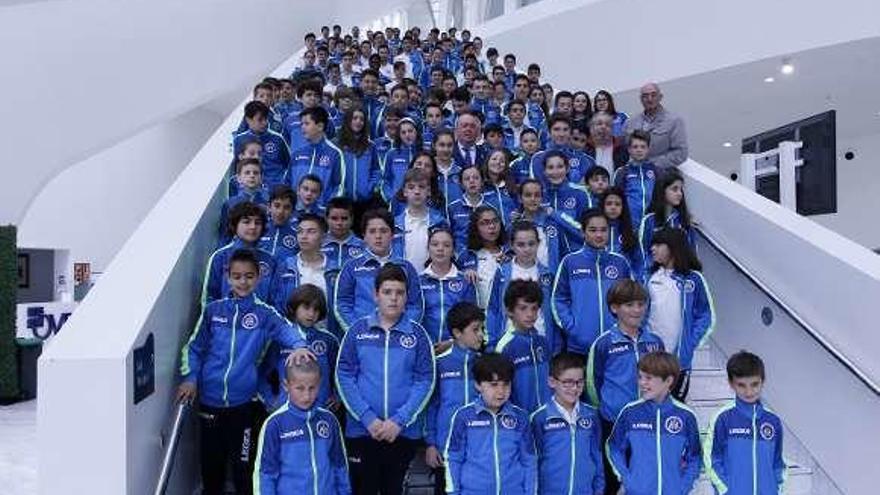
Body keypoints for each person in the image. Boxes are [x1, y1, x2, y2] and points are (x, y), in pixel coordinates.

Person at [177, 250, 312, 495]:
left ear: (258, 277)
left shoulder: (265, 313)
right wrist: (190, 378)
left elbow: (288, 331)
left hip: (243, 405)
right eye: (237, 276)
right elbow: (194, 348)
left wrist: (300, 346)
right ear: (228, 278)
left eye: (249, 276)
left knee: (243, 467)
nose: (243, 282)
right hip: (209, 402)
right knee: (211, 466)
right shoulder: (213, 311)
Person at [335, 264, 436, 495]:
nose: (394, 298)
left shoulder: (418, 334)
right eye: (387, 292)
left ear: (407, 296)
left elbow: (425, 381)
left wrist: (399, 421)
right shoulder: (357, 331)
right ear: (376, 295)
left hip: (402, 432)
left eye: (400, 293)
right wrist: (368, 419)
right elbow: (344, 376)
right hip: (362, 431)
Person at [585, 280, 665, 494]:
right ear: (614, 307)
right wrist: (607, 408)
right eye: (629, 305)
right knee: (612, 478)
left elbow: (664, 380)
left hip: (648, 420)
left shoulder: (654, 342)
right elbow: (593, 383)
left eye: (641, 304)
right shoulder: (604, 343)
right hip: (614, 421)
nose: (637, 310)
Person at [606, 352, 701, 495]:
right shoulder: (630, 412)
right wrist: (627, 479)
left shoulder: (686, 416)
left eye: (648, 378)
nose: (642, 383)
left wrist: (683, 486)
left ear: (668, 381)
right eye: (640, 377)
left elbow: (695, 456)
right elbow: (614, 448)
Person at [443, 353, 537, 494]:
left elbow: (529, 460)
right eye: (493, 385)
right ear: (478, 385)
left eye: (506, 384)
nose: (501, 391)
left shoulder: (520, 417)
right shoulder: (463, 416)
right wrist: (453, 492)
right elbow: (453, 458)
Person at [253, 359, 351, 495]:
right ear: (286, 385)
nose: (306, 396)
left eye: (312, 388)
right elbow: (265, 475)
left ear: (319, 384)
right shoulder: (274, 424)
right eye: (300, 388)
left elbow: (340, 466)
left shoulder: (329, 420)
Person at [551, 209, 633, 356]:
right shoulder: (570, 261)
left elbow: (632, 298)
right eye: (593, 230)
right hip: (579, 347)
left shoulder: (620, 263)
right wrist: (572, 328)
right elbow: (558, 298)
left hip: (616, 345)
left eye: (603, 230)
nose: (599, 235)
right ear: (583, 232)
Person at [646, 228, 715, 400]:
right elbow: (640, 314)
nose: (652, 248)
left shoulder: (694, 279)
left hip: (680, 362)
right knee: (650, 407)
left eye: (658, 244)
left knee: (677, 406)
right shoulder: (648, 277)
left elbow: (706, 315)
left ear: (673, 247)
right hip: (651, 358)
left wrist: (690, 344)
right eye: (652, 244)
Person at [705, 351, 787, 495]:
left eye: (754, 384)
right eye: (741, 385)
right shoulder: (723, 418)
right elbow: (711, 460)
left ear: (763, 381)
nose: (749, 392)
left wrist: (776, 490)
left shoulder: (772, 421)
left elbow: (778, 463)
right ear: (731, 383)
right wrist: (726, 489)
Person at [424, 302, 486, 493]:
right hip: (446, 451)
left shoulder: (486, 364)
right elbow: (431, 406)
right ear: (457, 333)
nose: (481, 335)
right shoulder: (440, 364)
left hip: (480, 451)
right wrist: (431, 444)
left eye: (482, 329)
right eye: (475, 330)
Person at [333, 209, 424, 331]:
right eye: (372, 231)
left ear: (392, 235)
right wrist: (357, 331)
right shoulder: (351, 267)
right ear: (364, 236)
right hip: (363, 337)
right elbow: (342, 304)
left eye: (383, 231)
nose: (378, 236)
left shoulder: (406, 267)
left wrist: (403, 329)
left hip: (398, 337)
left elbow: (415, 305)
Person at [529, 352, 605, 495]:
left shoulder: (592, 415)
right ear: (552, 382)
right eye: (567, 382)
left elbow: (597, 456)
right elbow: (533, 463)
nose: (575, 388)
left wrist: (599, 489)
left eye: (579, 382)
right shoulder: (539, 418)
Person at [486, 222, 557, 353]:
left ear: (538, 244)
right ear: (512, 245)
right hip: (509, 342)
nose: (527, 249)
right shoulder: (503, 272)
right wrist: (491, 343)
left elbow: (553, 311)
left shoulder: (547, 274)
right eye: (521, 245)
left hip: (541, 339)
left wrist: (556, 346)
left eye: (531, 244)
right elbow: (493, 309)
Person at [202, 202, 278, 306]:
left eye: (258, 223)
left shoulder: (270, 260)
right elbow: (209, 297)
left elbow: (273, 299)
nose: (253, 227)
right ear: (235, 225)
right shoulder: (220, 257)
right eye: (246, 222)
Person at [494, 280, 551, 412]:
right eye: (523, 308)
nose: (530, 314)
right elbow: (499, 390)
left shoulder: (542, 342)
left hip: (545, 417)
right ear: (509, 311)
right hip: (519, 420)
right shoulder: (505, 347)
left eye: (534, 308)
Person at [419, 228, 478, 344]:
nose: (440, 249)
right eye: (435, 244)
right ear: (428, 249)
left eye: (446, 245)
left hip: (456, 348)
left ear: (453, 251)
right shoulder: (418, 281)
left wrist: (452, 342)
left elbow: (472, 320)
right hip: (425, 347)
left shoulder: (465, 281)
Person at [638, 168, 696, 278]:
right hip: (655, 277)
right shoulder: (649, 221)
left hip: (681, 278)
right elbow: (642, 253)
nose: (679, 194)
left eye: (681, 190)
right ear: (662, 190)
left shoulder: (685, 222)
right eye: (674, 189)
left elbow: (692, 253)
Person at [391, 168, 449, 270]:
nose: (417, 191)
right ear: (404, 192)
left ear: (429, 191)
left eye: (421, 187)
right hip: (402, 280)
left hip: (431, 280)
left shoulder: (440, 222)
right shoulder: (395, 224)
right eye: (411, 187)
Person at [289, 106, 345, 207]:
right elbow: (287, 182)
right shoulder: (297, 153)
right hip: (296, 212)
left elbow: (340, 186)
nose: (302, 127)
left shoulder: (334, 153)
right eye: (301, 124)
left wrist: (327, 208)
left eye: (306, 123)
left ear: (320, 126)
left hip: (321, 213)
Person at [624, 82, 688, 170]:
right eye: (645, 96)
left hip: (662, 176)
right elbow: (625, 148)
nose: (649, 99)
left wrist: (651, 164)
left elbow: (681, 153)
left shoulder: (674, 121)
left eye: (653, 95)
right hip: (635, 174)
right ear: (641, 99)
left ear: (660, 97)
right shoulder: (630, 122)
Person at [540, 151, 591, 253]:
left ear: (567, 169)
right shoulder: (540, 195)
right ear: (544, 171)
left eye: (560, 166)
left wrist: (554, 214)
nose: (555, 172)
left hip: (575, 254)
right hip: (547, 257)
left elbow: (585, 231)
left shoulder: (579, 193)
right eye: (550, 167)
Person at [233, 101, 291, 189]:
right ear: (248, 120)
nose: (265, 122)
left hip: (276, 188)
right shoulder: (239, 140)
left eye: (266, 119)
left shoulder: (278, 138)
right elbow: (236, 168)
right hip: (250, 188)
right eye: (260, 119)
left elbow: (289, 164)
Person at [460, 205, 508, 308]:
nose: (492, 226)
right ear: (475, 227)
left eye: (495, 221)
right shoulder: (467, 256)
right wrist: (464, 274)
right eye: (485, 223)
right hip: (478, 315)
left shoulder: (510, 252)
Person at [336, 108, 381, 214]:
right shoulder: (337, 144)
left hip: (366, 202)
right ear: (348, 120)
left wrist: (370, 188)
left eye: (362, 119)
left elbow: (376, 170)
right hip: (343, 202)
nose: (358, 121)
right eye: (355, 118)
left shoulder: (370, 146)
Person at [613, 129, 658, 231]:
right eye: (635, 147)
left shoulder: (655, 171)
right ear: (629, 149)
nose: (639, 150)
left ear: (648, 149)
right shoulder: (622, 172)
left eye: (643, 147)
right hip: (629, 224)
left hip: (651, 224)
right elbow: (615, 198)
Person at [220, 158, 268, 244]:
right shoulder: (230, 204)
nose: (252, 176)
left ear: (261, 178)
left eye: (256, 173)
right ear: (238, 178)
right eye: (247, 173)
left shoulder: (268, 201)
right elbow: (224, 233)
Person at [601, 188, 644, 279]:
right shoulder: (595, 232)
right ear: (602, 206)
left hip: (623, 285)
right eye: (609, 204)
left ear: (623, 207)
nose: (613, 207)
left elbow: (638, 262)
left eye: (617, 204)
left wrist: (634, 281)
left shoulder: (630, 233)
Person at [381, 117, 422, 202]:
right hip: (397, 201)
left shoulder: (423, 154)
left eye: (410, 131)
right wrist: (391, 198)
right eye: (403, 132)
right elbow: (385, 180)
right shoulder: (391, 154)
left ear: (416, 132)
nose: (407, 135)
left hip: (419, 201)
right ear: (399, 135)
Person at [322, 197, 366, 269]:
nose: (339, 223)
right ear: (326, 219)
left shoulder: (363, 245)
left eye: (344, 218)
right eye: (334, 218)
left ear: (352, 219)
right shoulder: (318, 244)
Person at [258, 185, 299, 262]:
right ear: (269, 207)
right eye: (277, 206)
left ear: (292, 211)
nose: (280, 212)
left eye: (286, 207)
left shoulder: (297, 235)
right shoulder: (258, 230)